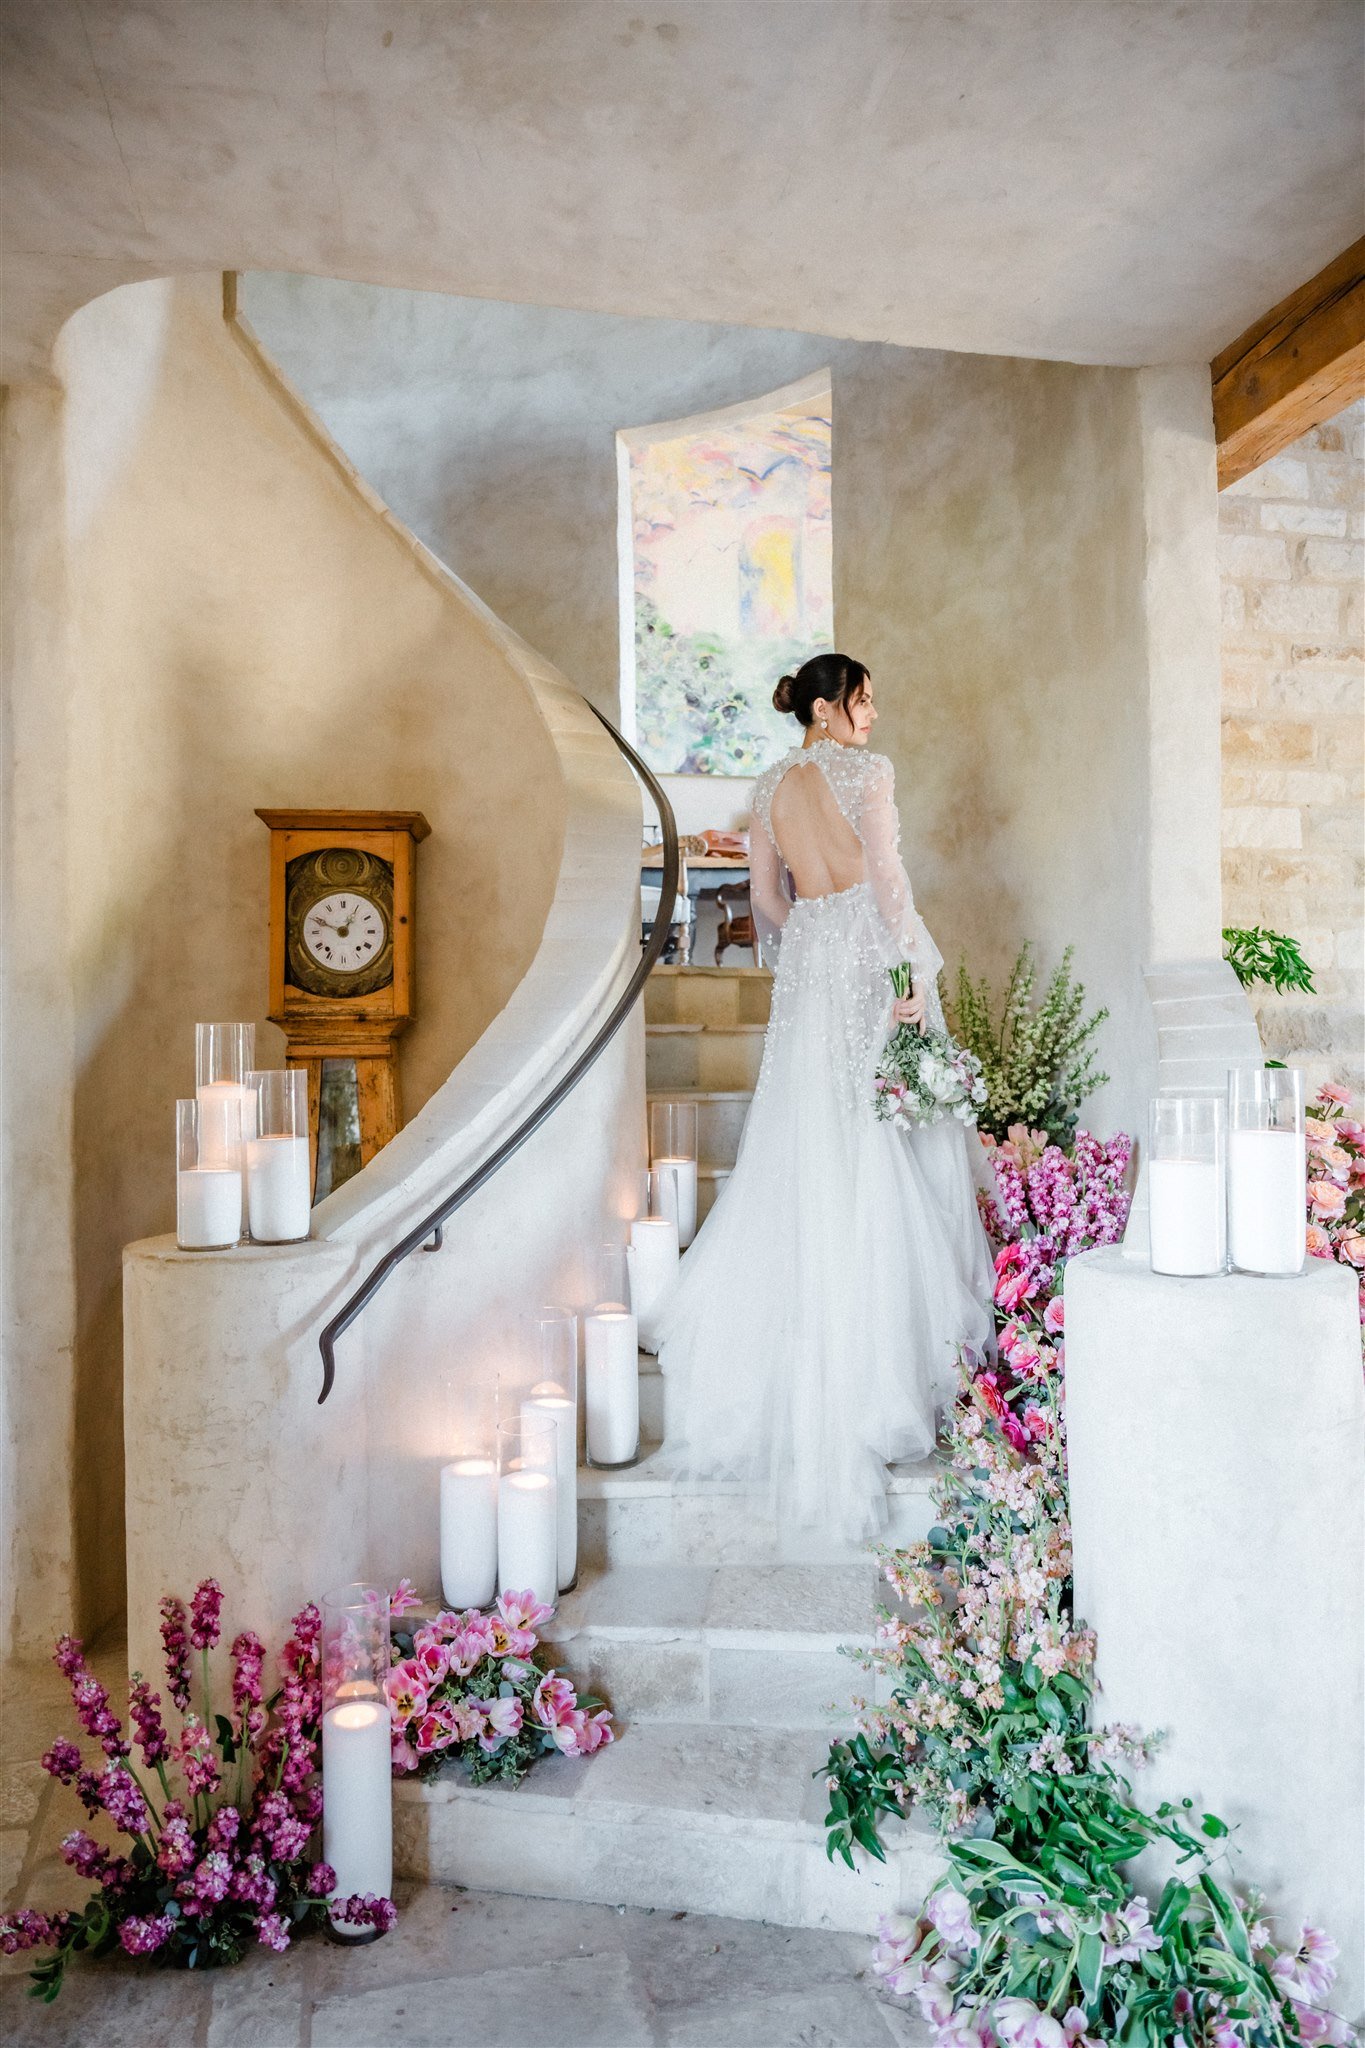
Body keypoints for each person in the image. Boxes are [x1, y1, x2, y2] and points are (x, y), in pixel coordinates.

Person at [652, 652, 994, 1542]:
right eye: (863, 700)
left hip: (808, 957)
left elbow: (765, 900)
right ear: (827, 705)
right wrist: (904, 967)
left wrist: (804, 941)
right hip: (865, 952)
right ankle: (880, 1368)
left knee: (815, 1135)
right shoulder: (866, 773)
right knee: (883, 1126)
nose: (872, 716)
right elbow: (885, 876)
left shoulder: (765, 787)